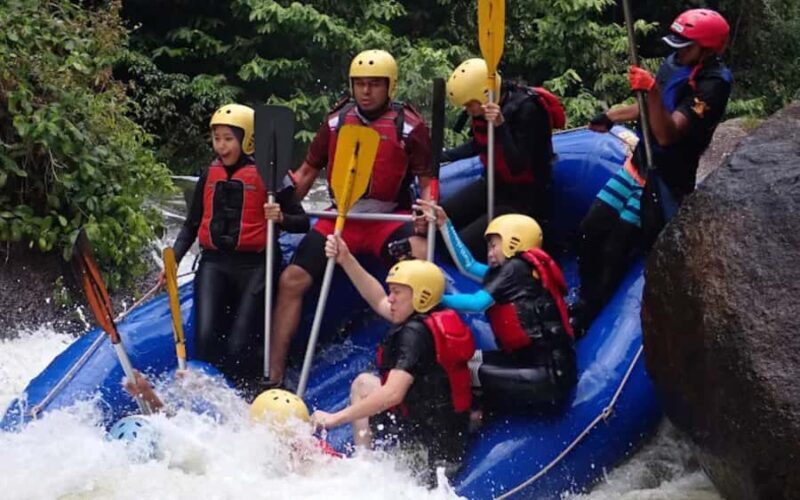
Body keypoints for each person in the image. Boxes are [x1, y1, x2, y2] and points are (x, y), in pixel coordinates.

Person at [267, 49, 435, 387]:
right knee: (291, 281)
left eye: (374, 84)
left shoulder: (410, 126)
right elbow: (307, 171)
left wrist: (426, 213)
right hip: (339, 217)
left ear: (390, 86)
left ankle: (415, 358)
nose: (366, 91)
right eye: (360, 84)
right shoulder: (334, 123)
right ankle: (273, 374)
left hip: (386, 218)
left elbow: (428, 180)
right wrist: (280, 206)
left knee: (420, 253)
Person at [574, 8, 733, 331]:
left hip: (665, 177)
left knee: (616, 247)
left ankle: (590, 315)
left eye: (684, 46)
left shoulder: (713, 84)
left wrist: (652, 90)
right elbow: (649, 108)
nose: (676, 52)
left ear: (706, 49)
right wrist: (612, 117)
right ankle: (584, 296)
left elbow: (667, 132)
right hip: (639, 164)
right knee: (590, 230)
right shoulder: (677, 62)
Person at [167, 103, 309, 390]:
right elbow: (192, 224)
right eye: (217, 138)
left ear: (247, 140)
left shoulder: (271, 176)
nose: (221, 146)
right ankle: (209, 392)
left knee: (238, 345)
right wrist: (173, 262)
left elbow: (302, 222)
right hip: (214, 263)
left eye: (228, 139)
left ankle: (246, 390)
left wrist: (281, 216)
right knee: (205, 339)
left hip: (256, 265)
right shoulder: (209, 174)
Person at [310, 247, 474, 485]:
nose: (390, 298)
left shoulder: (415, 334)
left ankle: (365, 474)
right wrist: (346, 258)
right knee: (363, 383)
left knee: (374, 389)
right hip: (435, 423)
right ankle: (363, 464)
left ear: (421, 296)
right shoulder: (428, 315)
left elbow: (393, 394)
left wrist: (335, 419)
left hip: (432, 448)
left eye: (397, 292)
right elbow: (376, 298)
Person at [418, 200, 577, 412]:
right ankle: (479, 409)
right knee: (464, 359)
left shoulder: (515, 269)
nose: (490, 252)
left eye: (494, 245)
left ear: (513, 242)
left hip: (545, 375)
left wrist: (435, 300)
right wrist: (445, 225)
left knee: (458, 371)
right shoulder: (515, 271)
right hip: (525, 362)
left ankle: (472, 417)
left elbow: (477, 303)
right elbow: (469, 266)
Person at [441, 58, 556, 258]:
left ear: (485, 93)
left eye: (470, 105)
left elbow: (518, 166)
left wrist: (501, 126)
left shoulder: (527, 110)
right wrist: (443, 156)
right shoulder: (483, 108)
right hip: (494, 184)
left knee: (461, 245)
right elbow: (480, 143)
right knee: (437, 222)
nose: (468, 110)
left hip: (522, 198)